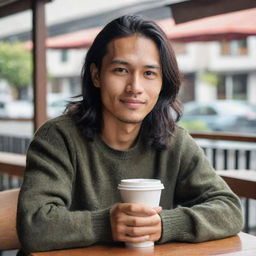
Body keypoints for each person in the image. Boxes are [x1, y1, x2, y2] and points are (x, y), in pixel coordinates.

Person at [16, 15, 243, 254]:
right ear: (96, 75)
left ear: (162, 82)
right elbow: (34, 225)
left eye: (149, 74)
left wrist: (163, 225)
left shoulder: (174, 141)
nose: (135, 87)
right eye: (121, 70)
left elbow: (229, 209)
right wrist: (107, 224)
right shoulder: (59, 137)